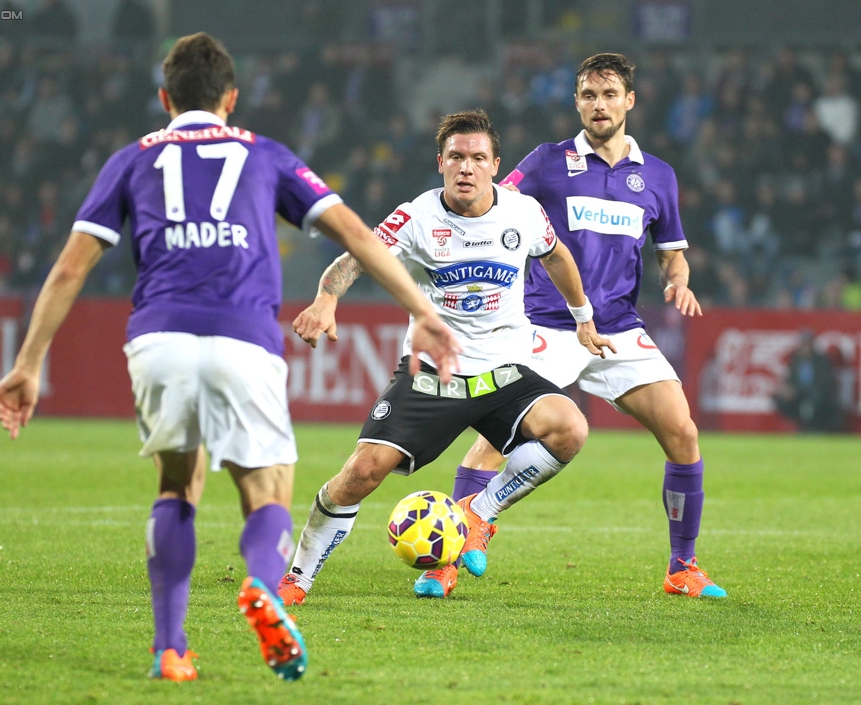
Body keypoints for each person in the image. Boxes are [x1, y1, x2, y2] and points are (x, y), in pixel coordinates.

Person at [0, 32, 460, 683]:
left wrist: (28, 362)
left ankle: (170, 649)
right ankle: (266, 585)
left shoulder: (131, 159)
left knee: (178, 484)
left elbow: (71, 267)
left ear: (165, 98)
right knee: (268, 487)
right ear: (231, 99)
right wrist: (426, 312)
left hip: (158, 340)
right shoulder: (263, 154)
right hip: (244, 337)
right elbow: (354, 231)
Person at [276, 109, 614, 605]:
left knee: (570, 427)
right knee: (363, 472)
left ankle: (479, 511)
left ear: (495, 165)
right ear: (441, 163)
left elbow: (557, 254)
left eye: (478, 158)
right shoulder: (417, 217)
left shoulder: (522, 212)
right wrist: (327, 297)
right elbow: (358, 255)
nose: (466, 168)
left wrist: (583, 316)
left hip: (504, 372)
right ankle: (297, 576)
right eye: (456, 157)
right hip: (435, 374)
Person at [451, 53, 727, 599]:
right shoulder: (547, 163)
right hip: (549, 324)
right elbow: (492, 204)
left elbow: (673, 253)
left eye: (608, 94)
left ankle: (683, 567)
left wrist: (679, 279)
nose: (598, 105)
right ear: (577, 102)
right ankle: (451, 557)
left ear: (629, 101)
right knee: (490, 442)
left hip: (619, 329)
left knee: (683, 432)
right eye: (587, 96)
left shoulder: (658, 177)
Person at [773, 329, 842, 433]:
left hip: (816, 394)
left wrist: (799, 390)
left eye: (807, 344)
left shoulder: (822, 361)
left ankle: (813, 427)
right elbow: (790, 379)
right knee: (781, 399)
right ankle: (798, 425)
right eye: (803, 344)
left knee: (813, 399)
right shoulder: (796, 361)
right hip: (798, 394)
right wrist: (787, 389)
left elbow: (825, 383)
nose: (805, 347)